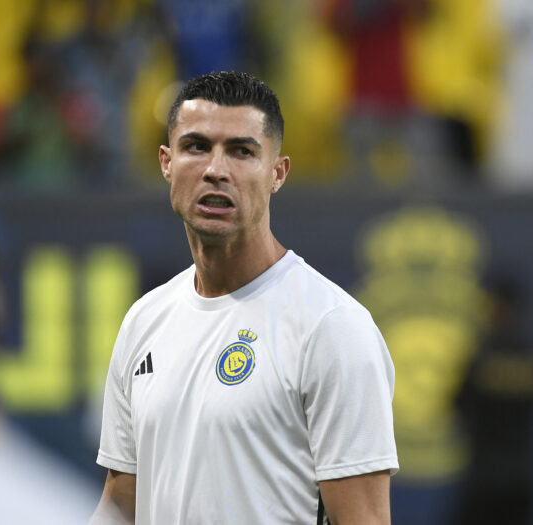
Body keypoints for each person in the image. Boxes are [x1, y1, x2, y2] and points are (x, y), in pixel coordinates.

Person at [89, 71, 398, 524]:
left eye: (241, 151)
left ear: (277, 173)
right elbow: (120, 503)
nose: (216, 169)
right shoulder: (144, 320)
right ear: (166, 162)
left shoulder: (331, 327)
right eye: (196, 146)